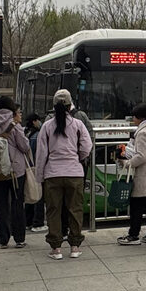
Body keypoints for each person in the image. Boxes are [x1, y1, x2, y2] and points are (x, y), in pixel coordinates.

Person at [34, 89, 93, 259]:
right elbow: (86, 146)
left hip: (53, 173)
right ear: (70, 105)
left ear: (54, 106)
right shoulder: (77, 124)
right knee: (75, 209)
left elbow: (41, 153)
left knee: (53, 210)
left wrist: (40, 176)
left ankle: (56, 248)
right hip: (74, 172)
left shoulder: (47, 125)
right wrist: (78, 158)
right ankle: (75, 246)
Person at [0, 96, 32, 249]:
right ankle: (19, 238)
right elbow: (24, 146)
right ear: (11, 109)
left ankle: (2, 239)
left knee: (1, 205)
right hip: (16, 171)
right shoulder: (14, 126)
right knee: (17, 203)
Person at [116, 103, 146, 246]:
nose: (133, 119)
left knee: (136, 207)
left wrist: (127, 163)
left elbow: (142, 156)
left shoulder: (143, 133)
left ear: (140, 117)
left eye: (134, 116)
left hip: (144, 177)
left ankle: (133, 235)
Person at [22, 113, 45, 231]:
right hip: (37, 168)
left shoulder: (25, 133)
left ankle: (28, 221)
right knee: (39, 195)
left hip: (27, 168)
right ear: (35, 121)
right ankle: (38, 223)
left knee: (30, 195)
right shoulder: (37, 135)